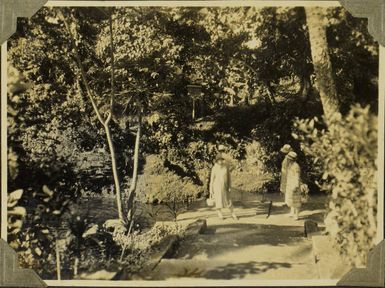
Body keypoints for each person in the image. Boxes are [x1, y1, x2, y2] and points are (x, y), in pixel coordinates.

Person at [209, 155, 238, 220]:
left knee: (228, 201)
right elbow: (212, 180)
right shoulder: (214, 168)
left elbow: (229, 178)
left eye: (221, 160)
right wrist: (210, 190)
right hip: (216, 187)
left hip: (225, 186)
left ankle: (233, 214)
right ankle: (220, 215)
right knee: (218, 201)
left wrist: (229, 186)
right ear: (216, 161)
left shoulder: (225, 167)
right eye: (219, 160)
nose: (220, 161)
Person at [285, 151, 302, 220]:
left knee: (296, 200)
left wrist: (296, 186)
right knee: (291, 199)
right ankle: (292, 212)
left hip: (295, 185)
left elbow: (297, 177)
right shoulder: (290, 165)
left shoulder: (296, 166)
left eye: (289, 159)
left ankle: (296, 214)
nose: (287, 160)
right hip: (290, 184)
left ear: (291, 159)